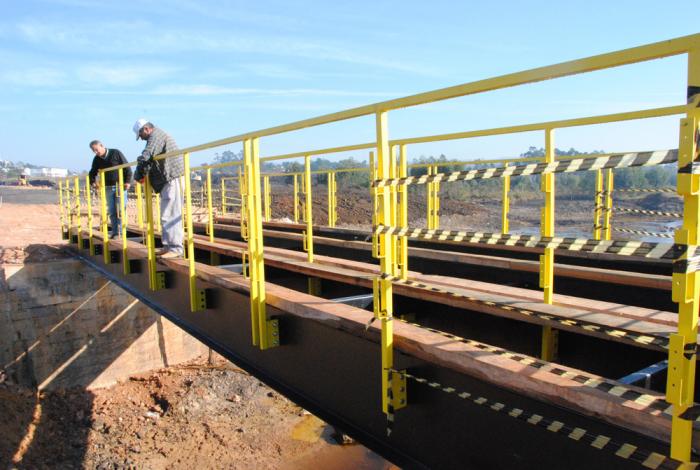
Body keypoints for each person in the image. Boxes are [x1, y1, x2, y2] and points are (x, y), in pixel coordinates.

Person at [132, 119, 184, 258]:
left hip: (172, 177)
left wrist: (138, 174)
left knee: (171, 213)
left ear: (146, 129)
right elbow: (149, 159)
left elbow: (146, 156)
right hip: (168, 178)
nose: (141, 138)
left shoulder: (156, 136)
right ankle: (168, 246)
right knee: (167, 213)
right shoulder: (156, 136)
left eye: (141, 135)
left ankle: (175, 248)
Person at [88, 140, 131, 239]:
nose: (95, 152)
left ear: (102, 146)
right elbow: (92, 172)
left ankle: (121, 232)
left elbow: (127, 167)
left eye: (96, 149)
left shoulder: (115, 153)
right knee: (112, 211)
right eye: (93, 151)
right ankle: (115, 233)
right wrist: (93, 182)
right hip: (107, 188)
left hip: (120, 186)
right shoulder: (97, 159)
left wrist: (128, 181)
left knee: (120, 210)